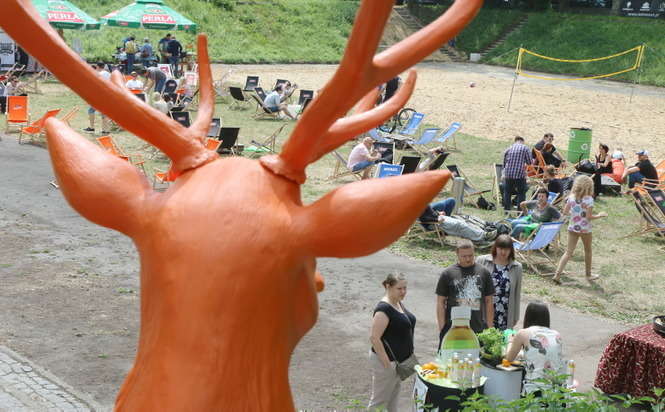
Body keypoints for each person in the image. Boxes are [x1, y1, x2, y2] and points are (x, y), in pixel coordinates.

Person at [368, 273, 416, 412]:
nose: (403, 292)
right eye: (399, 288)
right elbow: (374, 338)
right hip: (387, 362)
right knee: (378, 402)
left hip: (398, 362)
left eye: (405, 288)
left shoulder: (397, 302)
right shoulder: (384, 309)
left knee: (393, 400)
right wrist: (387, 365)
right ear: (388, 287)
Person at [552, 175, 608, 284]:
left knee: (568, 252)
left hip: (572, 227)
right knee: (588, 251)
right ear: (589, 186)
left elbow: (565, 212)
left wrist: (574, 214)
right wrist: (599, 215)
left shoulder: (571, 197)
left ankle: (557, 275)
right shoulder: (589, 200)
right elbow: (588, 217)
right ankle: (588, 275)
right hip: (585, 229)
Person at [436, 241, 494, 343]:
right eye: (464, 256)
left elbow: (489, 301)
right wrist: (442, 327)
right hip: (452, 329)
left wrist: (489, 328)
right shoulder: (447, 274)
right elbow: (440, 302)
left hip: (477, 329)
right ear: (457, 254)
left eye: (470, 255)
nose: (468, 259)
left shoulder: (484, 273)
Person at [504, 301, 566, 396]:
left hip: (535, 390)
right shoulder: (557, 335)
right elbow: (542, 355)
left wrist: (510, 341)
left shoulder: (523, 333)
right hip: (557, 391)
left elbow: (509, 358)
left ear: (528, 316)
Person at [477, 235, 523, 330]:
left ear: (511, 250)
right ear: (495, 248)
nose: (503, 252)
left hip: (504, 314)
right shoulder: (482, 261)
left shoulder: (517, 267)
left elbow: (517, 294)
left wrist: (515, 317)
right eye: (500, 248)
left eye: (506, 249)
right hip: (484, 311)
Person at [418, 204, 498, 244]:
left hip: (438, 218)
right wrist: (436, 219)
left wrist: (438, 213)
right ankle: (484, 236)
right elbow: (423, 218)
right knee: (460, 225)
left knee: (463, 219)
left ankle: (482, 231)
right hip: (434, 223)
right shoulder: (416, 201)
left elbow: (429, 211)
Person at [503, 136, 533, 212]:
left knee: (507, 192)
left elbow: (504, 163)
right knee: (521, 193)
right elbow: (530, 162)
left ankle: (506, 210)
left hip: (508, 174)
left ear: (515, 141)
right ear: (522, 141)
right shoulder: (525, 148)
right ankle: (520, 211)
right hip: (519, 174)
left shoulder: (509, 148)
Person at [83, 64, 111, 134]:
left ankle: (92, 127)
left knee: (91, 110)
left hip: (99, 95)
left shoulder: (98, 74)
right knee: (104, 113)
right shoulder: (109, 74)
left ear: (98, 67)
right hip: (107, 95)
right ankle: (105, 129)